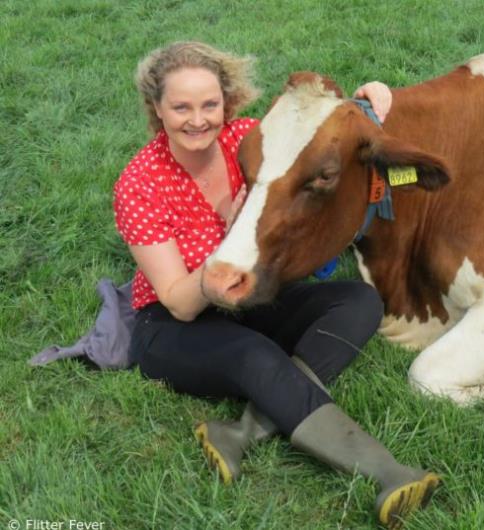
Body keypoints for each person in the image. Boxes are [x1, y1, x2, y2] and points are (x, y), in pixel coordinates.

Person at [113, 41, 440, 528]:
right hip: (172, 325)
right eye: (181, 107)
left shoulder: (247, 140)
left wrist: (365, 101)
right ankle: (387, 472)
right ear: (156, 109)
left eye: (209, 105)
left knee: (358, 300)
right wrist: (218, 266)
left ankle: (241, 431)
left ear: (227, 102)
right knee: (253, 355)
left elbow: (317, 136)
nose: (198, 119)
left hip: (249, 297)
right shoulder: (139, 183)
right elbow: (179, 303)